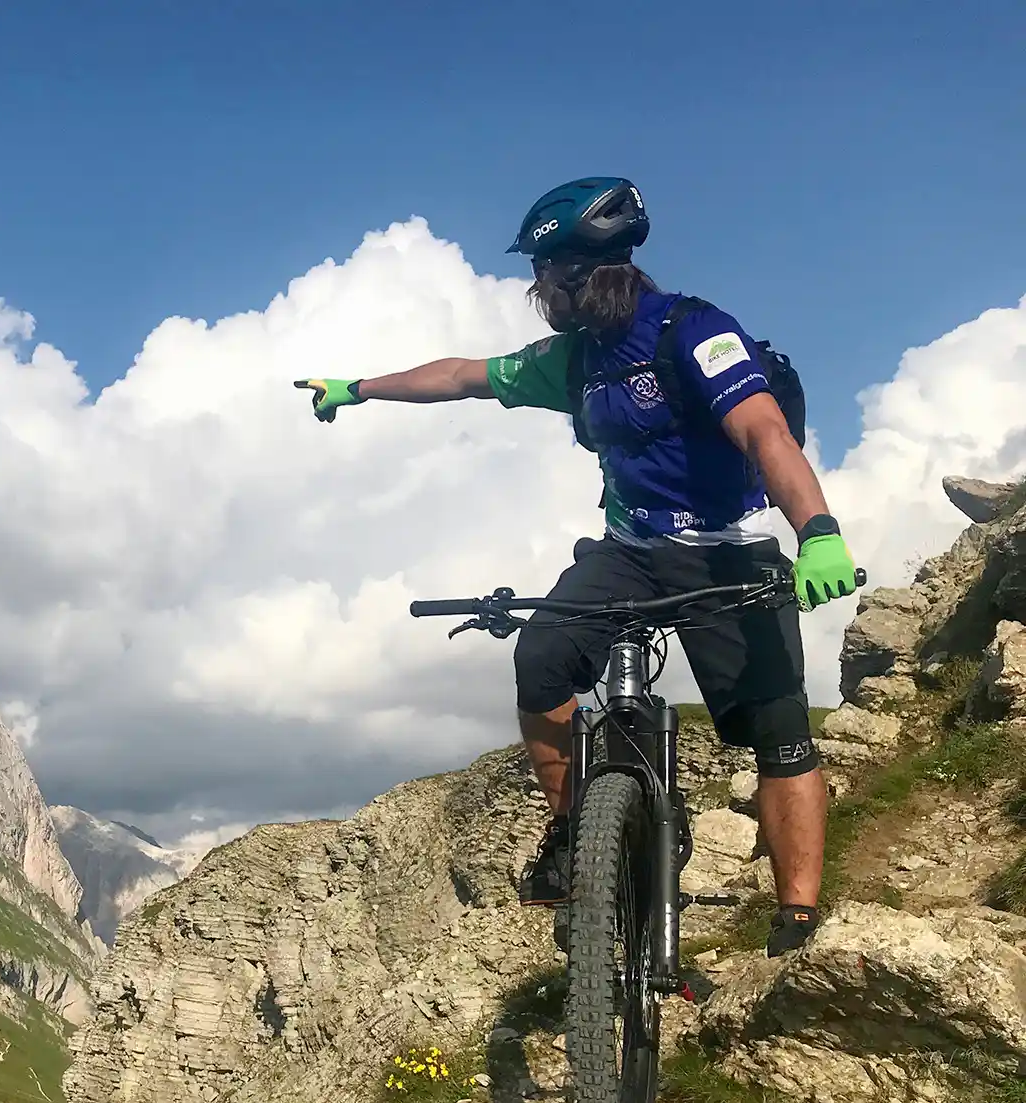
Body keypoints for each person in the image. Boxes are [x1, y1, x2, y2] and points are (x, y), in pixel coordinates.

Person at [296, 177, 857, 957]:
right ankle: (572, 828)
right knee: (543, 657)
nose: (534, 292)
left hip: (727, 550)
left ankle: (796, 914)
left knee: (778, 729)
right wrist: (358, 388)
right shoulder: (573, 363)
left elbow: (764, 431)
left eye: (539, 277)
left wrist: (818, 531)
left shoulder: (691, 331)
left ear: (574, 274)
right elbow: (462, 376)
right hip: (629, 554)